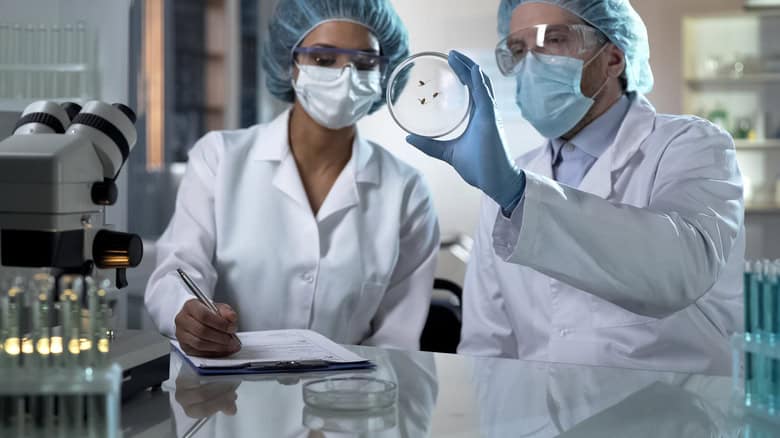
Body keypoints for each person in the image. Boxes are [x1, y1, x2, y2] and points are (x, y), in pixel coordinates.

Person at [407, 0, 744, 374]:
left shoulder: (691, 145)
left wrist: (519, 195)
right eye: (518, 50)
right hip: (534, 423)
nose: (531, 63)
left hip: (671, 415)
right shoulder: (509, 177)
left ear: (614, 57)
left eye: (553, 39)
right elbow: (486, 345)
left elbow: (681, 269)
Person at [145, 0, 439, 357]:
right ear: (291, 64)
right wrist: (187, 312)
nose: (346, 76)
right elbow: (177, 271)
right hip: (227, 396)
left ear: (385, 74)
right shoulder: (220, 159)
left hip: (349, 402)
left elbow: (397, 341)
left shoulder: (406, 191)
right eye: (324, 59)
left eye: (364, 63)